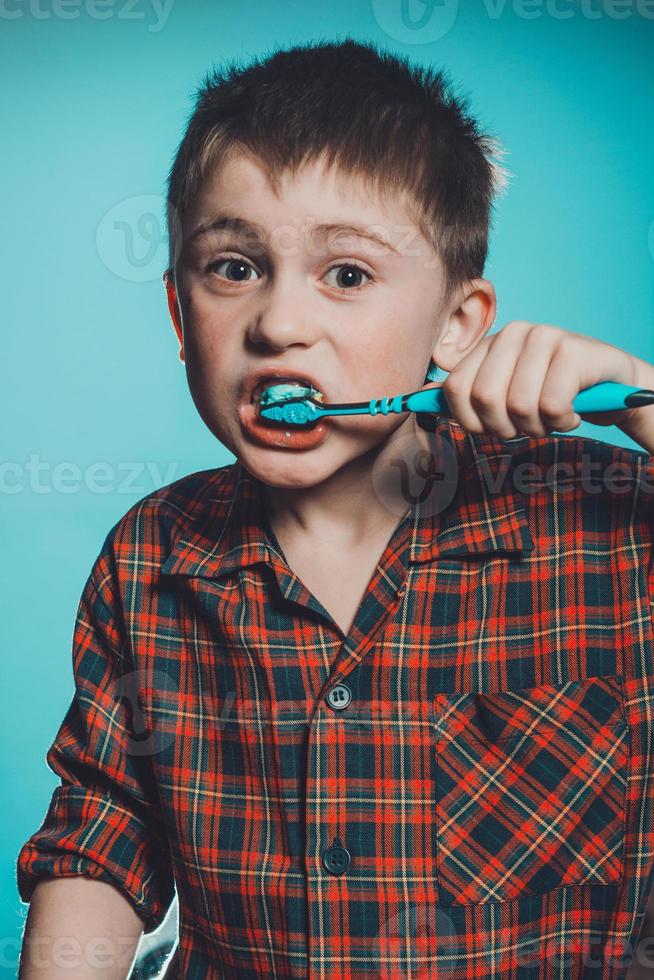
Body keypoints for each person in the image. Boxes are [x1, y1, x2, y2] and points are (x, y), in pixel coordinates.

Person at [15, 37, 654, 979]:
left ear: (458, 325)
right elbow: (101, 839)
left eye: (347, 276)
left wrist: (646, 397)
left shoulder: (608, 526)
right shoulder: (150, 558)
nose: (278, 324)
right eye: (233, 268)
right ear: (177, 314)